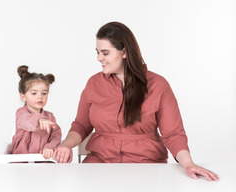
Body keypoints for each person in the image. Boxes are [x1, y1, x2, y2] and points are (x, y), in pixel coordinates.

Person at [53, 22, 219, 181]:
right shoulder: (93, 83)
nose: (99, 58)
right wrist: (66, 145)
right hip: (99, 166)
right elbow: (82, 125)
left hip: (146, 168)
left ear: (124, 52)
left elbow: (173, 133)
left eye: (105, 53)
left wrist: (188, 164)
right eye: (97, 52)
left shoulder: (158, 85)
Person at [10, 65, 62, 160]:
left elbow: (56, 135)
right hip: (20, 160)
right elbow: (25, 122)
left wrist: (49, 147)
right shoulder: (21, 113)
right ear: (23, 97)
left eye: (44, 93)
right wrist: (40, 119)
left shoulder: (49, 116)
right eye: (34, 93)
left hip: (42, 159)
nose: (40, 97)